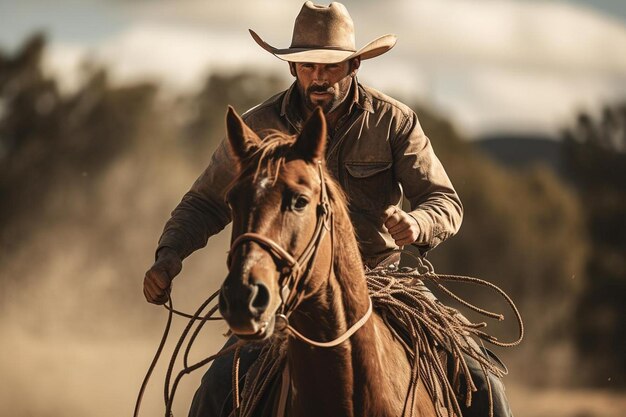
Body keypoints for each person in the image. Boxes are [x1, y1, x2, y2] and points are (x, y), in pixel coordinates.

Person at [142, 2, 512, 417]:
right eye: (307, 66)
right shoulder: (258, 125)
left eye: (331, 66)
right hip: (288, 288)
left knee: (482, 381)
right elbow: (206, 201)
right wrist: (169, 254)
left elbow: (444, 200)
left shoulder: (393, 121)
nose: (318, 76)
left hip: (386, 279)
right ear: (292, 69)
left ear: (354, 65)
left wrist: (417, 223)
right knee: (214, 392)